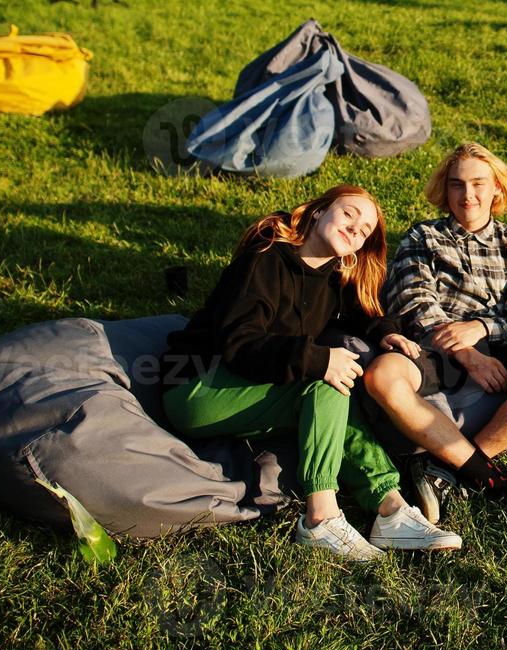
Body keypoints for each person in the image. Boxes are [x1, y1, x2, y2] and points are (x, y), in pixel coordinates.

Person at [160, 185, 461, 561]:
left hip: (249, 384)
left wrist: (388, 334)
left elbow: (361, 315)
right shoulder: (266, 257)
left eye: (365, 229)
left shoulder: (332, 277)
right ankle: (320, 518)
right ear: (318, 212)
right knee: (326, 382)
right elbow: (238, 343)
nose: (355, 228)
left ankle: (391, 510)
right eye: (349, 213)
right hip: (198, 385)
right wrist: (317, 360)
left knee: (337, 385)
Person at [364, 143, 507, 530]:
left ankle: (454, 463)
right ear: (445, 191)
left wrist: (482, 328)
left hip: (503, 348)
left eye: (479, 184)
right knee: (382, 376)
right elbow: (411, 300)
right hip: (436, 345)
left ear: (497, 189)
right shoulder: (423, 237)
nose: (468, 195)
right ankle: (487, 476)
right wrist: (468, 352)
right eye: (457, 185)